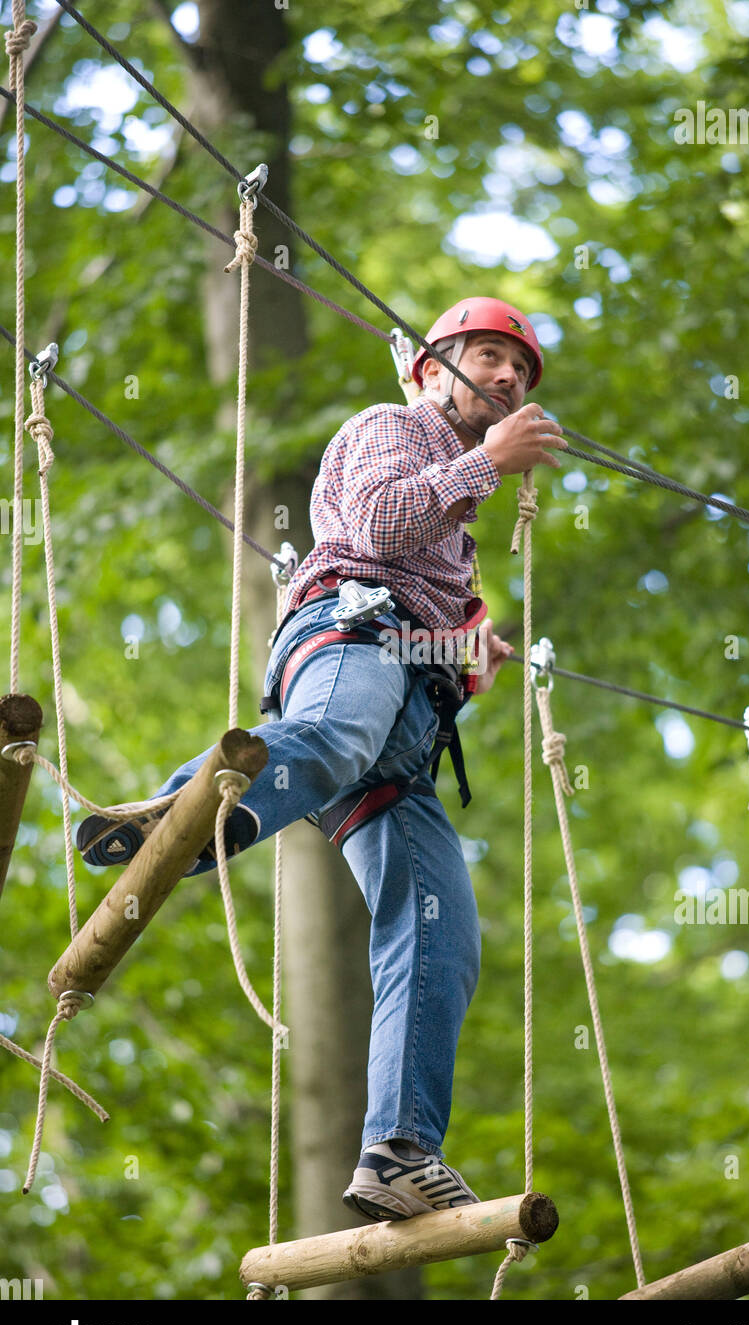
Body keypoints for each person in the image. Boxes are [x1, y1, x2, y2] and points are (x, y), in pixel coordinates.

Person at [76, 296, 566, 1222]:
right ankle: (168, 818)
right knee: (332, 739)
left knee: (440, 933)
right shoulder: (394, 429)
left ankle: (399, 1149)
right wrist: (487, 467)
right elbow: (377, 533)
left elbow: (420, 596)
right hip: (350, 649)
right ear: (430, 367)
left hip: (402, 733)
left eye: (520, 369)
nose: (508, 378)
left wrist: (467, 656)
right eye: (491, 357)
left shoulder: (457, 523)